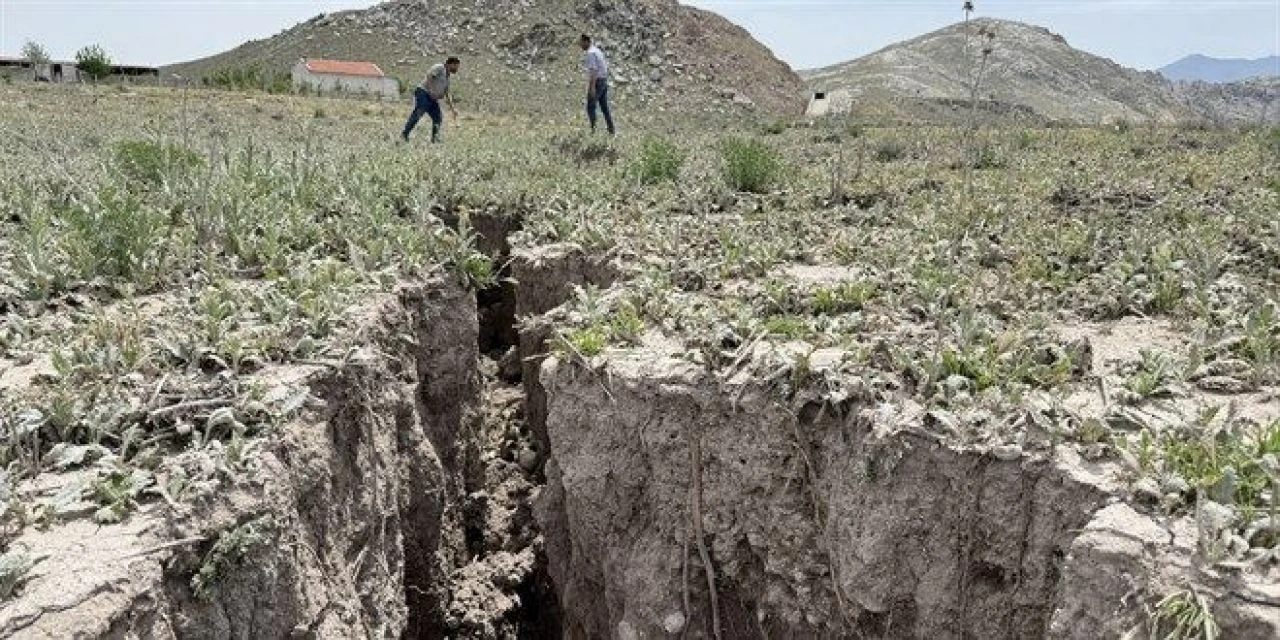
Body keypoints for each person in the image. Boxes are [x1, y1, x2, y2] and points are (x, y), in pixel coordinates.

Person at [402, 57, 460, 143]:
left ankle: (435, 139)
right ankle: (404, 135)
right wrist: (432, 90)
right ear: (451, 64)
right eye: (456, 66)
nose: (457, 69)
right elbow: (429, 75)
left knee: (438, 117)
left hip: (432, 97)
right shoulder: (440, 67)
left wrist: (453, 109)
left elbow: (447, 93)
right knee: (419, 112)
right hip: (423, 92)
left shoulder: (447, 76)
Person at [578, 35, 615, 135]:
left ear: (586, 41)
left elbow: (594, 70)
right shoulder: (597, 51)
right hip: (603, 80)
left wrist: (592, 87)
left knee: (591, 106)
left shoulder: (590, 53)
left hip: (597, 82)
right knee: (604, 107)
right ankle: (611, 129)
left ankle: (593, 131)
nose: (580, 45)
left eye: (581, 42)